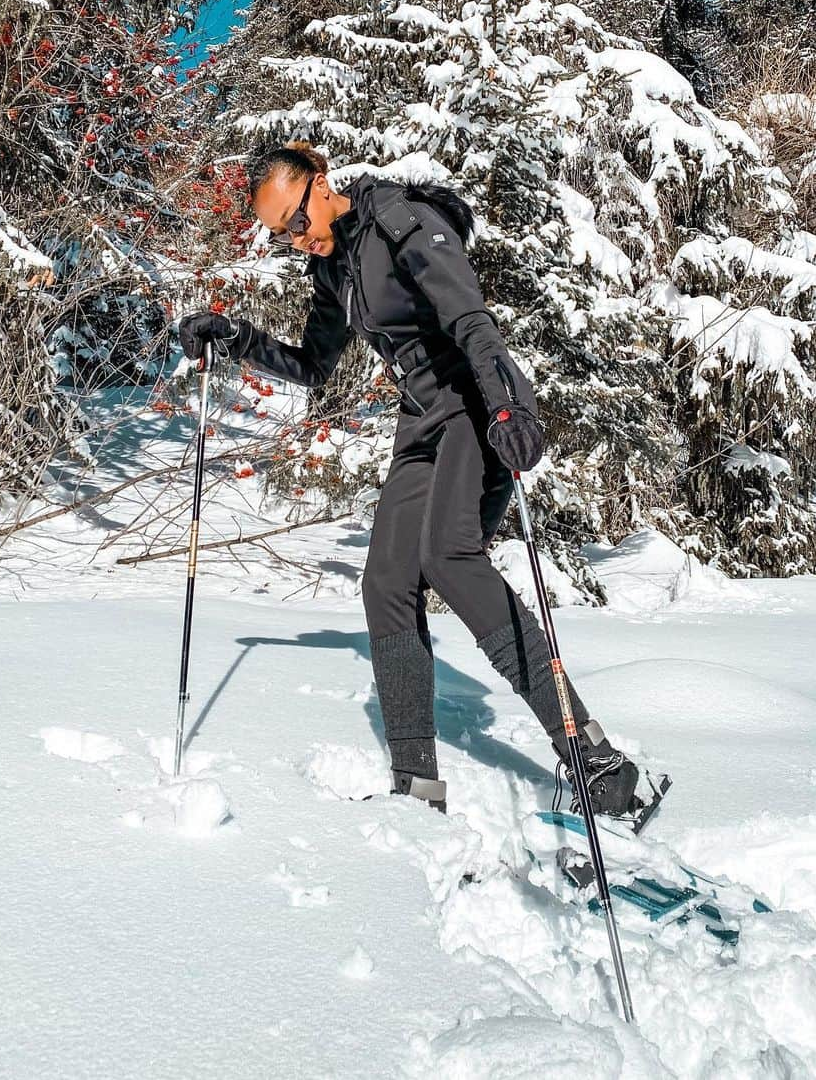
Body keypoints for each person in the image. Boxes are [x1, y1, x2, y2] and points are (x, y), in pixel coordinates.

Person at [179, 141, 641, 818]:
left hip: (477, 407)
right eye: (282, 234)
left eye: (296, 221)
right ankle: (415, 782)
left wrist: (509, 404)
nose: (296, 238)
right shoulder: (333, 269)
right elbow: (313, 366)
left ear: (322, 185)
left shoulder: (403, 220)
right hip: (423, 421)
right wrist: (235, 335)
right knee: (387, 581)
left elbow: (470, 319)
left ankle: (591, 752)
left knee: (449, 557)